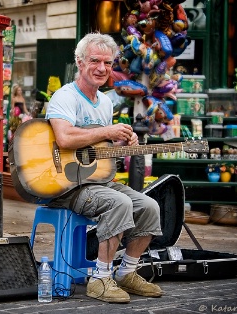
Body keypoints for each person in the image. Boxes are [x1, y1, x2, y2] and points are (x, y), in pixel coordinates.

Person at [45, 33, 163, 303]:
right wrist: (107, 130)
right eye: (95, 61)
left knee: (149, 206)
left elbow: (97, 148)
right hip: (66, 184)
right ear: (79, 62)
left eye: (108, 63)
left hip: (97, 180)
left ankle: (127, 273)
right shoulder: (65, 97)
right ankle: (99, 278)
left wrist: (123, 141)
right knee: (119, 202)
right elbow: (64, 139)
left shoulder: (106, 101)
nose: (101, 68)